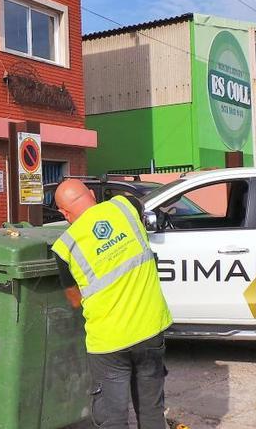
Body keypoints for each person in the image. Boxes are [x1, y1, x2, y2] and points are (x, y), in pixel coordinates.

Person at [51, 179, 172, 429]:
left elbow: (74, 300)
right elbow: (141, 210)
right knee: (151, 410)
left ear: (64, 214)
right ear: (92, 195)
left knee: (113, 417)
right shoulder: (125, 206)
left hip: (108, 343)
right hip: (149, 328)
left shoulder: (65, 247)